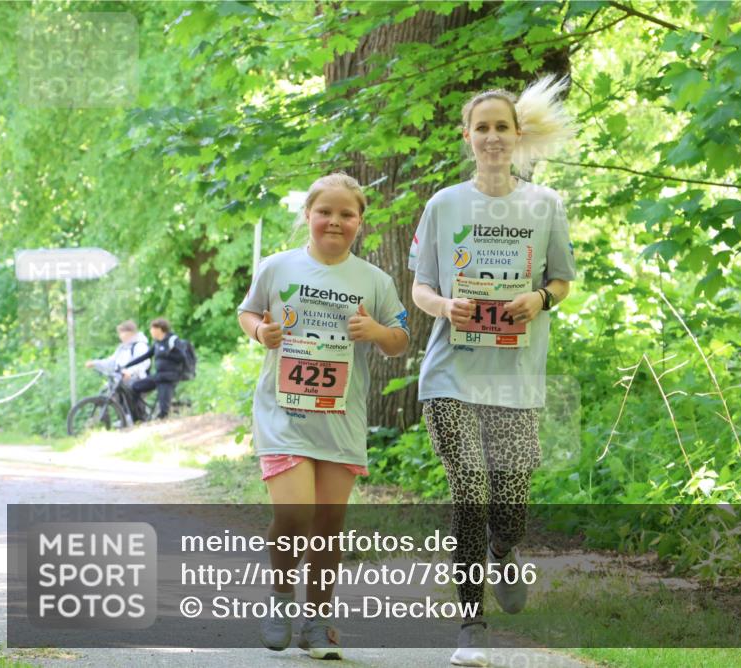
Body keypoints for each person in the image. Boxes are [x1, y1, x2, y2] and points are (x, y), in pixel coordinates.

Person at [409, 75, 576, 666]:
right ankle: (470, 625)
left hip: (516, 377)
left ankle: (505, 551)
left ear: (517, 133)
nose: (492, 136)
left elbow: (561, 279)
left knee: (509, 503)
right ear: (467, 136)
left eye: (501, 126)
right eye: (481, 127)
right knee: (469, 491)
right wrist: (442, 305)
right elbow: (422, 286)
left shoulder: (544, 204)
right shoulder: (444, 204)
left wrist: (540, 301)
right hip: (451, 373)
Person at [237, 172, 409, 659]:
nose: (335, 221)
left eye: (346, 214)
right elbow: (248, 312)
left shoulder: (375, 281)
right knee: (294, 515)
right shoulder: (277, 267)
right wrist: (259, 334)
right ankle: (280, 599)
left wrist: (375, 329)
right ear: (308, 216)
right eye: (325, 212)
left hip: (340, 417)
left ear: (360, 221)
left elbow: (399, 341)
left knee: (328, 525)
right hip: (283, 413)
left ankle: (317, 620)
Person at [124, 318, 185, 420]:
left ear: (159, 329)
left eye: (152, 329)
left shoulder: (172, 340)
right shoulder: (157, 343)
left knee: (163, 412)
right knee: (134, 388)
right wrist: (127, 365)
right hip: (158, 376)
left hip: (168, 378)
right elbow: (146, 356)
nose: (151, 331)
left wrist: (168, 354)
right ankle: (140, 415)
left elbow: (182, 357)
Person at [85, 319, 151, 384]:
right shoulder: (122, 348)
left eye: (121, 333)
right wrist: (95, 363)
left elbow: (143, 363)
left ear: (129, 332)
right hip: (120, 383)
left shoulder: (140, 346)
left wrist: (130, 372)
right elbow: (111, 363)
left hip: (135, 383)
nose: (120, 336)